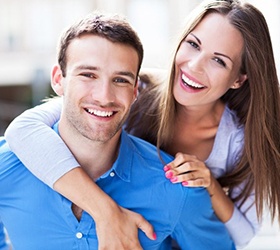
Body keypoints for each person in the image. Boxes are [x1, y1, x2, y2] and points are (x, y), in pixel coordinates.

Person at [4, 0, 280, 248]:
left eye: (219, 60)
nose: (194, 66)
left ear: (239, 79)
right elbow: (26, 129)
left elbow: (239, 236)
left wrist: (210, 185)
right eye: (193, 44)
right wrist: (106, 211)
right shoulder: (139, 88)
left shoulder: (243, 143)